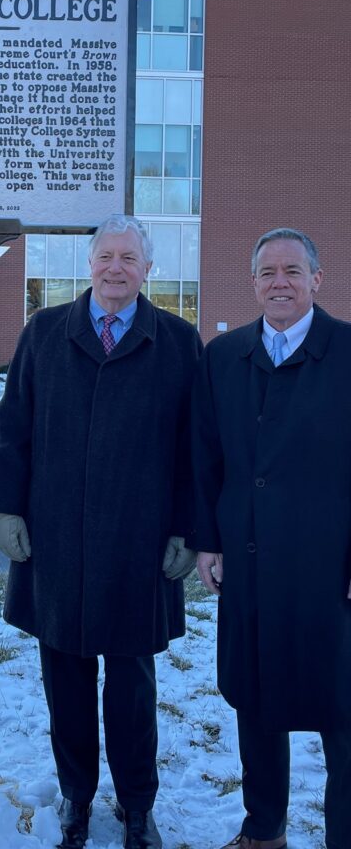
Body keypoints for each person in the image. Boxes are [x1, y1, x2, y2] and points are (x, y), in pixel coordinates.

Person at [0, 214, 202, 849]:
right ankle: (78, 799)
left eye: (128, 259)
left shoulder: (179, 342)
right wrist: (6, 508)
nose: (116, 268)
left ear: (147, 269)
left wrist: (187, 529)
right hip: (57, 544)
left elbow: (195, 448)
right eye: (106, 256)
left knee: (133, 688)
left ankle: (138, 806)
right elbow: (13, 429)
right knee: (67, 683)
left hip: (140, 547)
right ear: (90, 265)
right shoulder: (46, 332)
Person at [191, 228, 351, 849]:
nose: (278, 282)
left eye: (291, 270)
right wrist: (208, 539)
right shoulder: (224, 355)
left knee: (341, 706)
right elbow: (206, 456)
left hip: (329, 569)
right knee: (255, 701)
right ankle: (263, 830)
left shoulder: (346, 350)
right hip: (249, 563)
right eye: (266, 272)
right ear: (252, 282)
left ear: (317, 279)